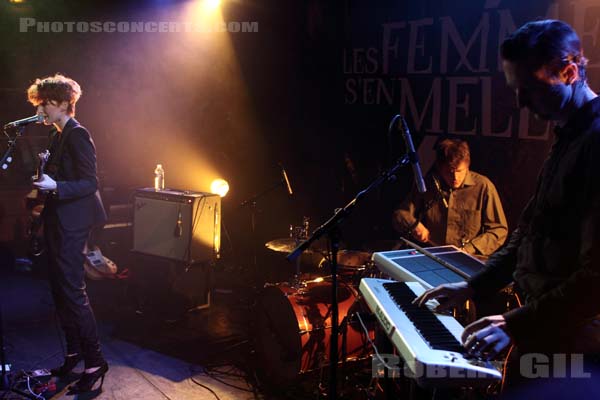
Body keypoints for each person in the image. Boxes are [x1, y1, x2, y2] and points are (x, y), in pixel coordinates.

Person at [414, 19, 600, 392]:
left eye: (529, 89)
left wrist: (515, 323)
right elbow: (528, 233)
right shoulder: (568, 138)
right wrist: (472, 286)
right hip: (545, 329)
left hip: (577, 348)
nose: (520, 103)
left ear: (569, 71)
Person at [28, 74, 109, 393]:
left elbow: (91, 183)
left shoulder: (77, 134)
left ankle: (95, 360)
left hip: (75, 222)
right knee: (60, 290)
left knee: (73, 291)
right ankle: (75, 353)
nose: (40, 111)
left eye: (44, 104)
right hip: (59, 220)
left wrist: (56, 186)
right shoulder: (57, 136)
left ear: (62, 103)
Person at [392, 138, 508, 256]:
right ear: (440, 168)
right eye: (449, 172)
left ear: (467, 165)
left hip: (470, 259)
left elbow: (498, 230)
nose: (455, 177)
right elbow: (400, 213)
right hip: (435, 257)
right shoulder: (429, 185)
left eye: (459, 171)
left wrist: (469, 249)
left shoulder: (483, 186)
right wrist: (414, 225)